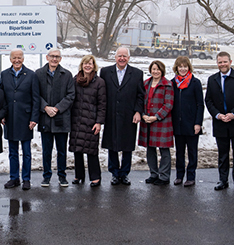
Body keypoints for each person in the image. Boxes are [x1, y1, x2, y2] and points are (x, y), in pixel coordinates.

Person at [205, 51, 234, 192]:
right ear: (217, 63)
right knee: (223, 154)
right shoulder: (212, 79)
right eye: (220, 62)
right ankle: (223, 180)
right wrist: (218, 115)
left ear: (230, 62)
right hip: (220, 122)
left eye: (225, 61)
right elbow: (208, 100)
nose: (222, 64)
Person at [100, 47, 145, 186]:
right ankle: (114, 173)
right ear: (115, 57)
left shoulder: (137, 73)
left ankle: (124, 173)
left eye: (125, 56)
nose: (122, 58)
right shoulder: (106, 72)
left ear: (129, 58)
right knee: (112, 145)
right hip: (111, 114)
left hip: (128, 115)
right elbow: (101, 93)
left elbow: (140, 95)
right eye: (119, 56)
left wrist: (138, 111)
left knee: (127, 146)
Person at [0, 49, 40, 190]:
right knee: (12, 152)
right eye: (14, 58)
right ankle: (14, 178)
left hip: (25, 119)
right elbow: (1, 97)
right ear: (10, 59)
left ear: (23, 58)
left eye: (19, 58)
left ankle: (26, 179)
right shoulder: (4, 74)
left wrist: (34, 118)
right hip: (10, 118)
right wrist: (1, 115)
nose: (17, 60)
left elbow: (36, 99)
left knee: (27, 152)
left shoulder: (31, 75)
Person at [35, 48, 75, 187]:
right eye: (52, 56)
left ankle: (62, 176)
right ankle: (46, 176)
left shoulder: (67, 75)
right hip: (45, 118)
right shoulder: (39, 74)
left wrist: (57, 108)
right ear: (47, 57)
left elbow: (71, 95)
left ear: (60, 59)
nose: (54, 59)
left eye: (57, 57)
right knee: (46, 150)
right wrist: (45, 107)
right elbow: (35, 94)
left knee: (61, 150)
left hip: (61, 118)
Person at [69, 55, 106, 187]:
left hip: (91, 121)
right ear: (82, 65)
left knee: (91, 150)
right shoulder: (75, 79)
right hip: (76, 119)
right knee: (77, 149)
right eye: (85, 63)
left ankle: (95, 177)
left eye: (90, 63)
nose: (87, 66)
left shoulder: (99, 82)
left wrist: (99, 122)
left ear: (94, 65)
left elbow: (102, 104)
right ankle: (79, 175)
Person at [139, 60, 174, 186]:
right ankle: (153, 174)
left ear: (162, 70)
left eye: (158, 69)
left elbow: (168, 104)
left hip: (161, 122)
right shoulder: (145, 84)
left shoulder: (167, 85)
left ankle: (164, 176)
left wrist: (156, 117)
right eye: (153, 69)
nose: (156, 71)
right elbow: (140, 101)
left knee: (164, 150)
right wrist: (143, 115)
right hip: (146, 121)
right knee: (150, 149)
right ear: (150, 70)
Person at [171, 56, 204, 187]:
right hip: (177, 124)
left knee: (192, 152)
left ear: (189, 67)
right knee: (179, 152)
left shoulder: (195, 83)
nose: (183, 69)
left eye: (185, 66)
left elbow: (200, 104)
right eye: (180, 67)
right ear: (176, 68)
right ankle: (179, 175)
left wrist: (198, 123)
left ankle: (191, 176)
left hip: (191, 124)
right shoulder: (172, 83)